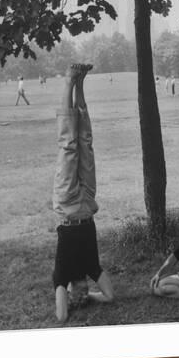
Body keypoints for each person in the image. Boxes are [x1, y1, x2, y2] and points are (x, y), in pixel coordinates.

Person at [52, 64, 114, 322]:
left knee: (69, 145)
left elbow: (61, 317)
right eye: (85, 294)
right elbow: (110, 296)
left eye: (79, 296)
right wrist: (92, 298)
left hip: (67, 204)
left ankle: (68, 80)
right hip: (87, 202)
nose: (82, 295)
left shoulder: (62, 275)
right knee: (86, 142)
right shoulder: (91, 268)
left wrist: (68, 296)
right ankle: (80, 84)